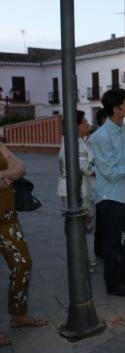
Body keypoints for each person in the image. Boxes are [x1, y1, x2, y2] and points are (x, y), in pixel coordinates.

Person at [89, 88, 125, 298]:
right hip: (109, 197)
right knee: (112, 244)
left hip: (123, 195)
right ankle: (112, 284)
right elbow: (111, 173)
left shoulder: (123, 130)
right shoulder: (100, 137)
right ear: (116, 109)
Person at [0, 144, 48, 346]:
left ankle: (18, 314)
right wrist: (9, 174)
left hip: (8, 218)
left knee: (23, 264)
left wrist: (4, 176)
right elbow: (13, 173)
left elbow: (21, 167)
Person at [57, 110, 96, 272]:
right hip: (79, 191)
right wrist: (97, 169)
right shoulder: (74, 143)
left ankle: (83, 259)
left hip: (73, 190)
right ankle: (86, 260)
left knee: (79, 226)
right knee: (84, 226)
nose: (88, 125)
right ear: (77, 126)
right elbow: (84, 167)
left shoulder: (72, 141)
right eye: (85, 122)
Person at [93, 107, 108, 258]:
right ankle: (101, 249)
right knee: (103, 221)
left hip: (101, 187)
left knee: (101, 221)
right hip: (102, 187)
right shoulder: (99, 137)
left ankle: (100, 249)